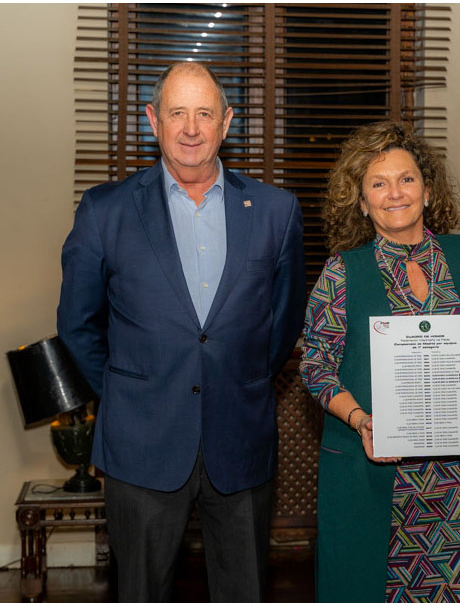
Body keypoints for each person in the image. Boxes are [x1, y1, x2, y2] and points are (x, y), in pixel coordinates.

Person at [57, 62, 305, 602]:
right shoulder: (105, 210)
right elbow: (77, 325)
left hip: (240, 438)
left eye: (205, 114)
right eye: (177, 113)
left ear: (226, 122)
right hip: (140, 441)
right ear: (153, 120)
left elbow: (284, 321)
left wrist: (235, 379)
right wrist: (129, 391)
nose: (191, 129)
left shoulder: (275, 211)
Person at [300, 121, 460, 602]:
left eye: (407, 179)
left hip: (455, 477)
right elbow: (316, 365)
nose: (395, 193)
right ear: (361, 201)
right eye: (378, 183)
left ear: (428, 190)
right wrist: (360, 419)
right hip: (373, 466)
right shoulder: (342, 271)